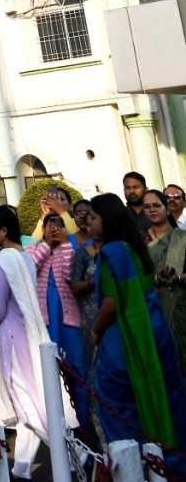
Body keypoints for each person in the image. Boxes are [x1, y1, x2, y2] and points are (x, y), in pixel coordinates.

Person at [0, 205, 74, 480]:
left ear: (4, 231)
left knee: (29, 404)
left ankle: (73, 454)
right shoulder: (24, 256)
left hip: (11, 337)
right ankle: (21, 469)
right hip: (31, 333)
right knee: (31, 404)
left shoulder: (1, 261)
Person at [89, 192, 186, 452]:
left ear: (107, 219)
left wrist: (96, 329)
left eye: (94, 217)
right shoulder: (134, 245)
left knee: (120, 402)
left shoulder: (113, 252)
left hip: (128, 335)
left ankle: (142, 463)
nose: (89, 223)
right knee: (166, 393)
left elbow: (112, 301)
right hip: (155, 330)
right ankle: (169, 457)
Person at [28, 214, 87, 427]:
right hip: (45, 319)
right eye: (49, 226)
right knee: (52, 372)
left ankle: (83, 423)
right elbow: (30, 267)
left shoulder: (71, 248)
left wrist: (64, 244)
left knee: (76, 368)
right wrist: (46, 245)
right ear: (42, 229)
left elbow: (70, 275)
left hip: (68, 318)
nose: (54, 229)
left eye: (58, 226)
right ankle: (59, 424)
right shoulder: (33, 249)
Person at [152, 204, 186, 382]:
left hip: (182, 306)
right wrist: (156, 279)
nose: (151, 209)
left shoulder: (181, 238)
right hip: (155, 310)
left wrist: (179, 278)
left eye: (156, 205)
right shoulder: (140, 242)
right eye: (147, 206)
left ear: (166, 209)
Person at [69, 204, 101, 375]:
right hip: (90, 314)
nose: (91, 228)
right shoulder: (81, 253)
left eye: (93, 223)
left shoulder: (114, 248)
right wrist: (93, 282)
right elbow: (74, 286)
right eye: (88, 225)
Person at [123, 172, 152, 238]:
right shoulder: (120, 214)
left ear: (145, 189)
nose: (131, 191)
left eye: (136, 187)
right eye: (127, 188)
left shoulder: (154, 211)